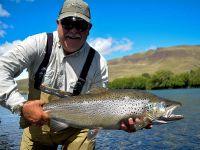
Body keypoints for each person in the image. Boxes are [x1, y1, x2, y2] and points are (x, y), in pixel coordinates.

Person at [0, 0, 151, 149]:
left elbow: (102, 108)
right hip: (36, 127)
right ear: (58, 23)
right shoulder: (37, 44)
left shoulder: (98, 63)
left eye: (80, 25)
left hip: (77, 131)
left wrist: (120, 122)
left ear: (89, 28)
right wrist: (21, 107)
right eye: (68, 23)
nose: (73, 30)